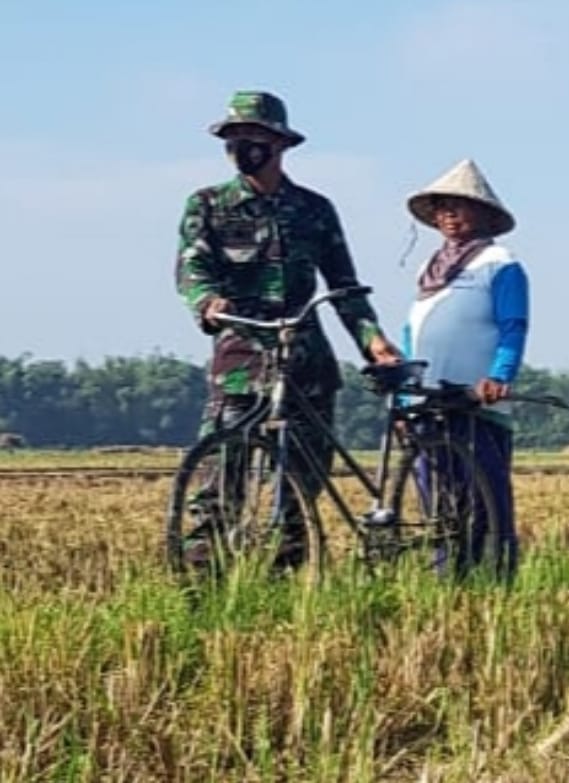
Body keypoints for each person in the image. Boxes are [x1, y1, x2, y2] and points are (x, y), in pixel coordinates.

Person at [174, 90, 400, 567]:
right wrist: (207, 302)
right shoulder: (209, 205)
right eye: (233, 139)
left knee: (298, 489)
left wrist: (373, 342)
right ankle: (200, 592)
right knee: (217, 485)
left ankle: (284, 589)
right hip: (240, 360)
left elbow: (344, 287)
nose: (242, 148)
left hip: (305, 362)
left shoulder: (314, 210)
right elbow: (192, 268)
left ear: (279, 144)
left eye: (252, 138)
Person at [403, 159, 529, 579]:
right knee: (438, 505)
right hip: (429, 402)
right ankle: (446, 586)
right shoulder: (427, 269)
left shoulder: (500, 262)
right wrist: (405, 393)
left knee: (484, 502)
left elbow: (513, 326)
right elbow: (411, 331)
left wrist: (500, 375)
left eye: (460, 205)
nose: (449, 214)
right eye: (442, 207)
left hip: (477, 404)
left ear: (483, 214)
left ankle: (494, 582)